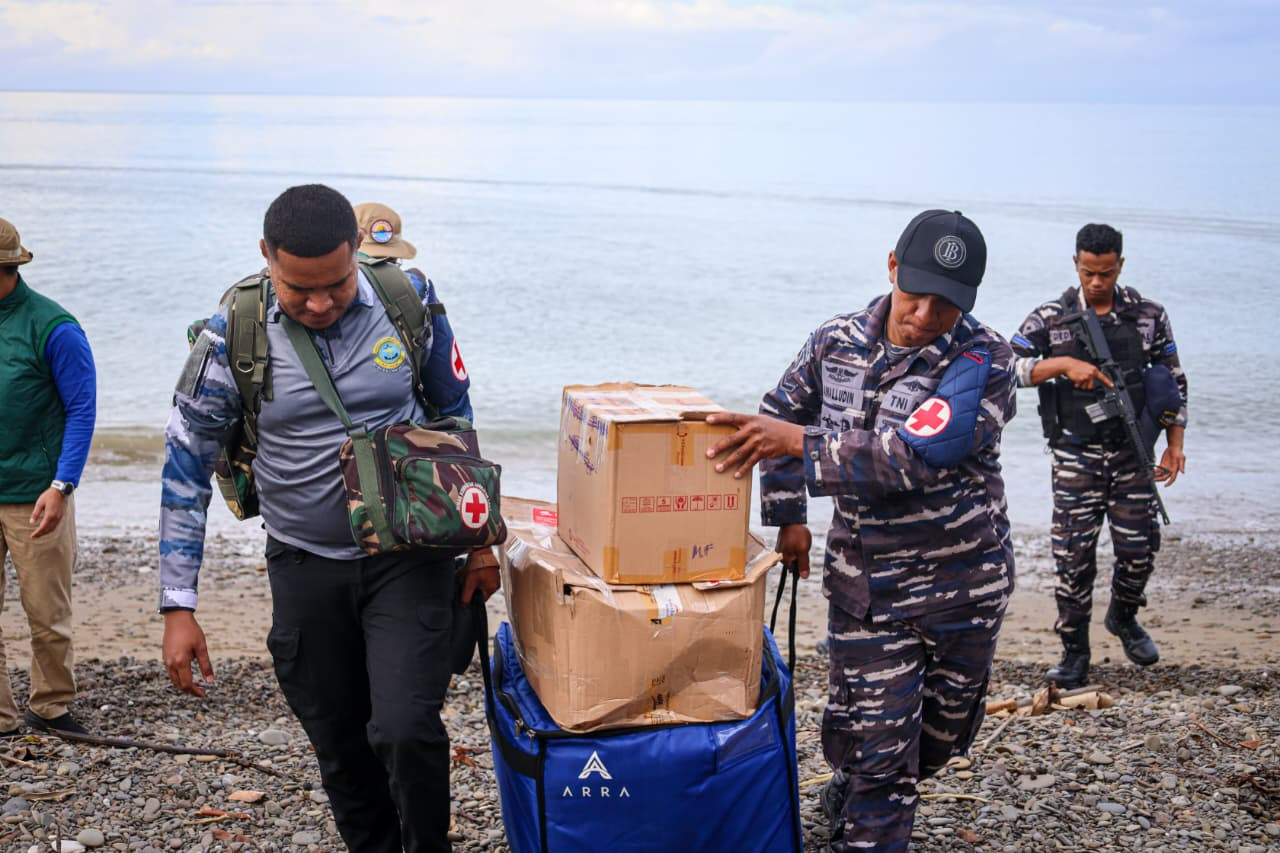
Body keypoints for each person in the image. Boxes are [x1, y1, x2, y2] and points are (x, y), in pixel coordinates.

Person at [159, 184, 499, 852]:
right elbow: (183, 464)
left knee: (404, 727)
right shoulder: (233, 334)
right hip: (303, 564)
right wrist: (178, 603)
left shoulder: (410, 300)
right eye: (298, 288)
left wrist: (481, 540)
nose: (318, 303)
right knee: (341, 742)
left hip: (410, 556)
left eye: (336, 285)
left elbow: (454, 416)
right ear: (266, 258)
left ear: (354, 256)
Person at [707, 210, 1016, 853]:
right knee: (884, 754)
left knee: (941, 740)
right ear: (892, 266)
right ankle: (868, 800)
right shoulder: (835, 340)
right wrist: (789, 516)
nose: (927, 314)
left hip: (965, 587)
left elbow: (910, 456)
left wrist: (799, 441)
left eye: (946, 304)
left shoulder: (984, 361)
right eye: (917, 293)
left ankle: (854, 781)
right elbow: (779, 414)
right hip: (869, 590)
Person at [1010, 223, 1187, 688]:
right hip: (1075, 456)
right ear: (1075, 264)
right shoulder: (1051, 317)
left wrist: (1174, 445)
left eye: (1105, 273)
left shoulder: (1148, 314)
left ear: (1120, 266)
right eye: (1088, 272)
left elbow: (1173, 380)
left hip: (1133, 455)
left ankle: (1124, 616)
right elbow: (1006, 367)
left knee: (1139, 550)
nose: (1096, 282)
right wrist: (1063, 365)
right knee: (1073, 558)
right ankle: (1074, 652)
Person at [0, 217, 97, 737]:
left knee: (47, 612)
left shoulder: (53, 326)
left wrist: (62, 485)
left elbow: (82, 409)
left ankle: (51, 706)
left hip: (36, 494)